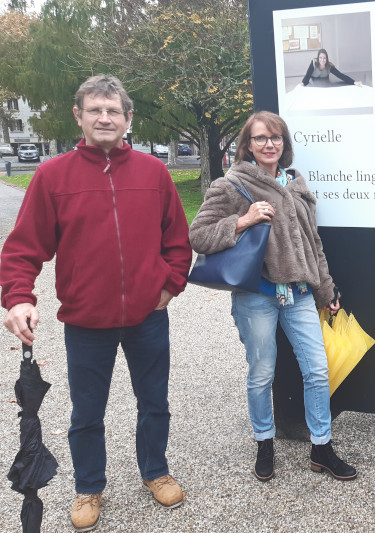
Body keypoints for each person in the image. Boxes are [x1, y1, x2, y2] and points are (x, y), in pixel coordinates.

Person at [0, 74, 192, 532]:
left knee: (155, 403)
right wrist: (18, 297)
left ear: (128, 118)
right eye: (95, 110)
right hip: (86, 322)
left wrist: (168, 285)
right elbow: (24, 247)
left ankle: (155, 470)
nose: (104, 118)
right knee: (87, 412)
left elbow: (178, 243)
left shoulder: (154, 173)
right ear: (79, 117)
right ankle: (88, 486)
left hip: (148, 318)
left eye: (113, 111)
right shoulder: (52, 176)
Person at [189, 111, 357, 483]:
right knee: (262, 373)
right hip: (256, 296)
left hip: (298, 295)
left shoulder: (295, 183)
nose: (270, 144)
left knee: (317, 369)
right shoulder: (231, 184)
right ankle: (264, 442)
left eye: (276, 137)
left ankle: (321, 448)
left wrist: (326, 290)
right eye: (261, 138)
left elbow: (314, 244)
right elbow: (198, 235)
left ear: (285, 143)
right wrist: (242, 220)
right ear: (247, 144)